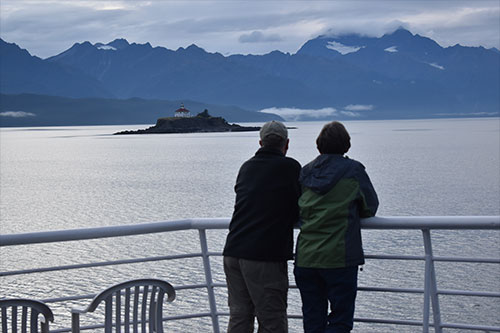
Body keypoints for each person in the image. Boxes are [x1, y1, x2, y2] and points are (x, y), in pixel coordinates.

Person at [294, 121, 379, 333]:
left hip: (306, 257)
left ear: (319, 145)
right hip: (339, 258)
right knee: (340, 320)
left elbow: (297, 209)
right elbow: (370, 207)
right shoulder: (354, 171)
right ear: (346, 145)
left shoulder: (305, 173)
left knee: (313, 319)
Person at [223, 120, 301, 333]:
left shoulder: (247, 167)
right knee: (272, 320)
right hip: (264, 255)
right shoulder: (291, 168)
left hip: (233, 251)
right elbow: (300, 206)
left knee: (239, 316)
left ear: (260, 143)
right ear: (286, 144)